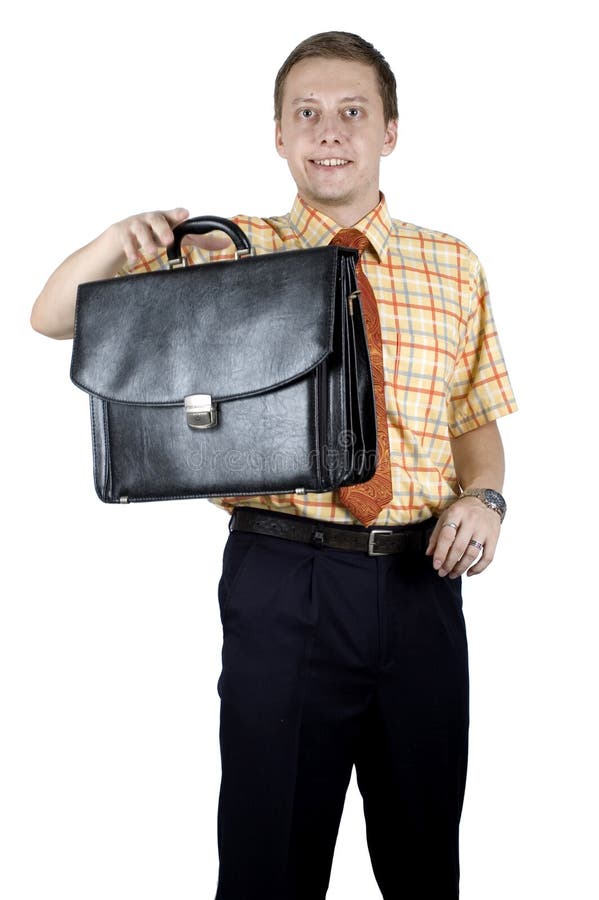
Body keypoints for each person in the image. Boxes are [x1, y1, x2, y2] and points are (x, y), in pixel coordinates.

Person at [31, 30, 517, 900]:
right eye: (307, 115)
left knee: (423, 859)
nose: (328, 132)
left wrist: (484, 497)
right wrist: (114, 240)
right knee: (270, 859)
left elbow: (472, 420)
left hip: (423, 587)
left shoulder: (454, 265)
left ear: (389, 132)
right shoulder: (227, 252)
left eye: (351, 113)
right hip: (282, 582)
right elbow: (53, 317)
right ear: (280, 137)